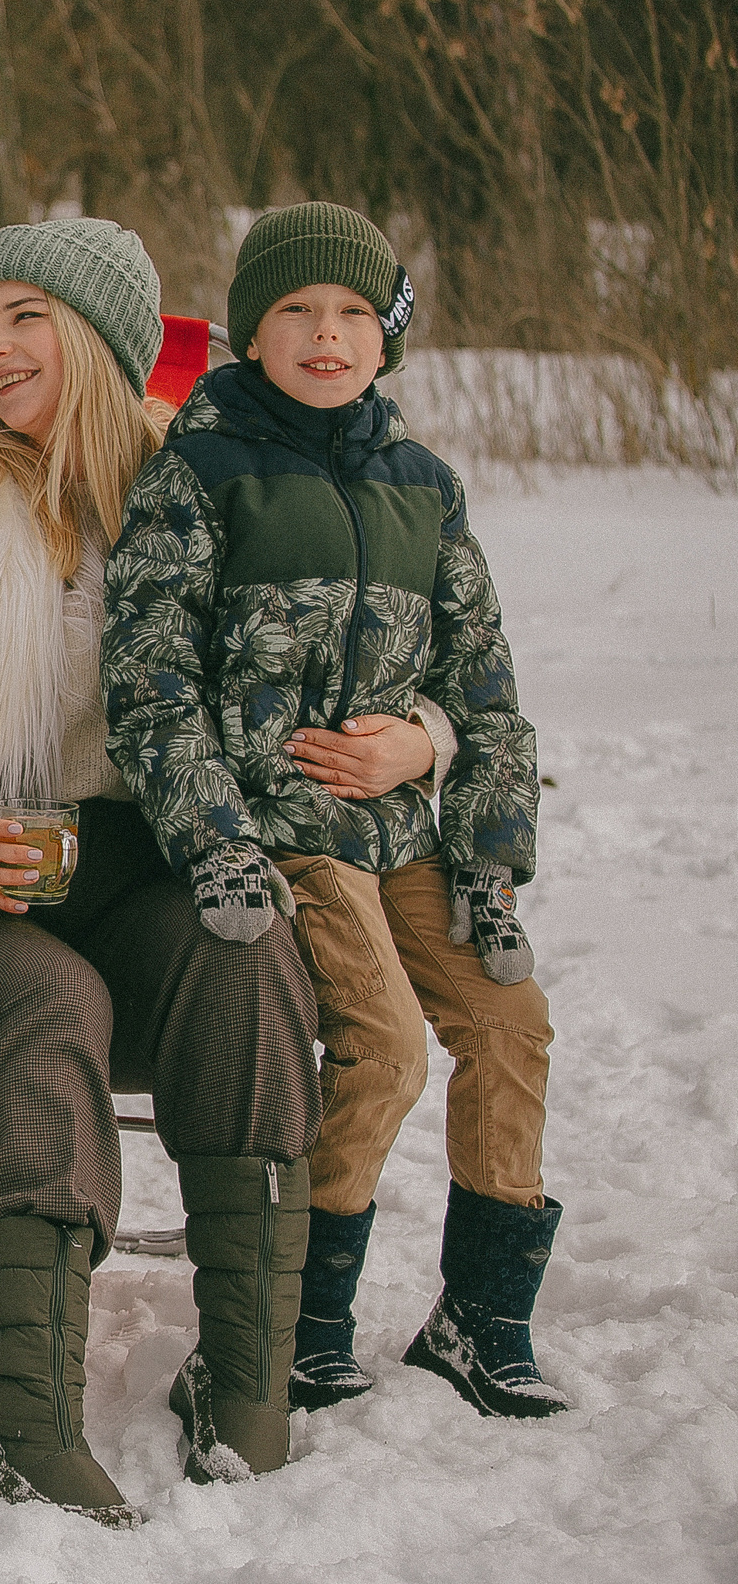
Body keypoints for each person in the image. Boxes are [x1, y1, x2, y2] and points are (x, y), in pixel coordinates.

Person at [0, 217, 362, 1526]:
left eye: (22, 316)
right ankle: (27, 1431)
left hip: (126, 868)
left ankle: (246, 1383)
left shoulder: (220, 503)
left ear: (105, 337)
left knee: (247, 946)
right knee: (45, 1003)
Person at [103, 201, 564, 1421]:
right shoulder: (198, 473)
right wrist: (218, 836)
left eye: (355, 312)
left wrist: (450, 787)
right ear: (249, 334)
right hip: (280, 829)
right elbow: (148, 678)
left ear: (386, 334)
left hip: (409, 827)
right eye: (296, 311)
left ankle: (481, 1316)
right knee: (385, 1044)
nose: (326, 334)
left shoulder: (426, 486)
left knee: (508, 1022)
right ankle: (302, 1318)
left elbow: (484, 682)